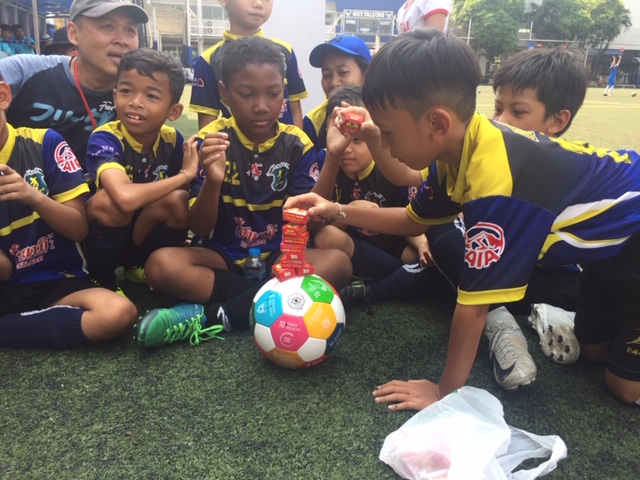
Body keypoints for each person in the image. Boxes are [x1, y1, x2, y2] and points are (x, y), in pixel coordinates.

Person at [285, 29, 640, 409]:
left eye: (387, 134)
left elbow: (472, 310)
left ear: (436, 124)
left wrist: (443, 391)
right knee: (593, 353)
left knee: (625, 389)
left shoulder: (496, 183)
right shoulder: (459, 147)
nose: (382, 146)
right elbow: (414, 220)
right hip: (609, 257)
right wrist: (336, 210)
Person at [136, 36, 351, 349]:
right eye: (247, 94)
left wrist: (331, 156)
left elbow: (311, 222)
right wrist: (212, 180)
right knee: (160, 266)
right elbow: (199, 227)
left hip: (282, 256)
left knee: (339, 263)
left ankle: (209, 316)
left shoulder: (297, 143)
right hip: (221, 255)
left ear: (284, 90)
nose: (262, 106)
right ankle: (273, 299)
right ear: (224, 92)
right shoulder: (209, 141)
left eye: (274, 93)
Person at [0, 76, 137, 349]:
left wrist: (33, 196)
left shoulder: (45, 143)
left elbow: (78, 228)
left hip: (58, 280)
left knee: (119, 313)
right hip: (6, 287)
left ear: (3, 96)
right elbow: (4, 271)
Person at [313, 84, 445, 306]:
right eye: (338, 136)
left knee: (425, 255)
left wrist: (422, 242)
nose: (346, 147)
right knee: (326, 236)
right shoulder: (325, 160)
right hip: (350, 247)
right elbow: (314, 221)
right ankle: (401, 281)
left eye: (356, 139)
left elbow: (413, 218)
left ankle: (380, 284)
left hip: (391, 250)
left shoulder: (392, 165)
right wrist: (350, 211)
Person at [83, 48, 197, 292]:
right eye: (126, 91)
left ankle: (139, 264)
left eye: (152, 96)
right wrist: (184, 175)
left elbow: (181, 194)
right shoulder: (106, 137)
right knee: (110, 202)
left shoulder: (171, 139)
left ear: (173, 111)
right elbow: (124, 198)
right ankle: (100, 276)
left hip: (139, 230)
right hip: (101, 231)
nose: (135, 102)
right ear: (115, 96)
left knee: (179, 199)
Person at [0, 0, 148, 169]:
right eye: (108, 26)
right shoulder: (25, 71)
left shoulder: (141, 91)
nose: (123, 40)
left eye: (130, 30)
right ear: (74, 33)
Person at [189, 0, 307, 130]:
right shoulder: (208, 60)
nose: (259, 4)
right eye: (246, 94)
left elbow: (295, 111)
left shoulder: (285, 51)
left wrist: (297, 148)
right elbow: (207, 127)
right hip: (233, 149)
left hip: (285, 149)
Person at [303, 34, 371, 151]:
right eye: (327, 75)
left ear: (366, 74)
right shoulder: (312, 122)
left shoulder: (384, 116)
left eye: (343, 72)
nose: (334, 83)